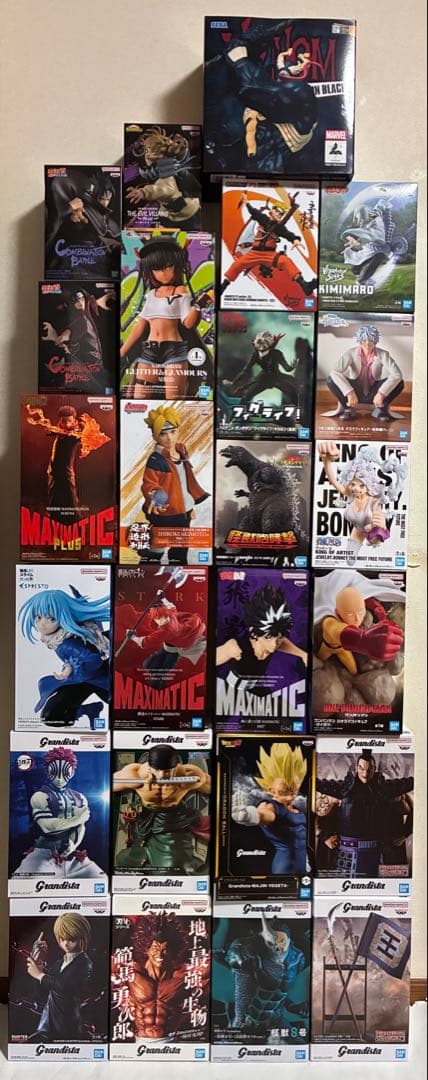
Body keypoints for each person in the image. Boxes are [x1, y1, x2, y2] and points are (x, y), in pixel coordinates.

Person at [120, 237, 210, 398]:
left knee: (173, 401)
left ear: (177, 266)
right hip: (150, 350)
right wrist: (122, 352)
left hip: (173, 350)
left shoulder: (179, 290)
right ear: (151, 271)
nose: (164, 273)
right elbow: (140, 325)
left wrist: (199, 305)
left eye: (169, 267)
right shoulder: (152, 294)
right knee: (139, 398)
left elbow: (188, 323)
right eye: (157, 269)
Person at [18, 585, 110, 727]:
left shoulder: (65, 643)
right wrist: (69, 668)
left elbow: (94, 659)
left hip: (102, 680)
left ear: (62, 617)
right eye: (38, 617)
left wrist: (71, 669)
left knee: (125, 712)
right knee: (51, 716)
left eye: (51, 619)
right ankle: (89, 709)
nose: (42, 624)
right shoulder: (59, 637)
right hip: (81, 681)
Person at [315, 750, 414, 877]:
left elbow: (413, 796)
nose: (365, 773)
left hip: (379, 852)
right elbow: (319, 810)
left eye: (369, 769)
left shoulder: (387, 789)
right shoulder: (343, 789)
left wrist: (405, 833)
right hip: (348, 851)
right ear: (357, 768)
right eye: (361, 768)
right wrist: (324, 835)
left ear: (374, 769)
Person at [113, 744, 211, 873]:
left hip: (172, 820)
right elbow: (108, 784)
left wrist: (193, 782)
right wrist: (136, 782)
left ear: (175, 766)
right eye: (157, 770)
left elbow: (214, 788)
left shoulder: (188, 774)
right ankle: (145, 858)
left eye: (167, 771)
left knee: (171, 868)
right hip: (145, 818)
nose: (161, 775)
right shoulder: (135, 774)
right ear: (150, 765)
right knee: (125, 861)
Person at [13, 747, 104, 879]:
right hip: (44, 854)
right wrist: (79, 818)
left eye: (65, 772)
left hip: (72, 855)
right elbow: (49, 827)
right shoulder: (40, 796)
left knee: (99, 878)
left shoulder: (79, 797)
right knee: (26, 883)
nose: (59, 778)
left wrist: (72, 845)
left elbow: (80, 827)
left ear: (72, 772)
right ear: (48, 771)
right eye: (54, 772)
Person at [140, 404, 210, 564]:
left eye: (172, 432)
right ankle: (145, 571)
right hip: (165, 513)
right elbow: (149, 483)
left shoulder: (181, 451)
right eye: (163, 434)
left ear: (178, 431)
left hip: (183, 513)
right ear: (155, 437)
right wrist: (155, 495)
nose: (169, 438)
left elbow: (185, 482)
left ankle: (177, 573)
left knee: (180, 552)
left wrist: (189, 507)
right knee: (156, 550)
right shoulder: (156, 459)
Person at [220, 191, 316, 298]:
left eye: (280, 214)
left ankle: (305, 285)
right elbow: (254, 213)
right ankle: (222, 286)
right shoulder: (263, 219)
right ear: (272, 211)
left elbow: (288, 234)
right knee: (237, 265)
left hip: (269, 255)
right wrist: (246, 202)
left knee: (286, 261)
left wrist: (295, 240)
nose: (278, 214)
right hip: (254, 253)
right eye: (277, 211)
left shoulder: (279, 228)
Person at [26, 402, 110, 523]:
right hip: (53, 472)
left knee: (70, 502)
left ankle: (75, 524)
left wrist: (85, 429)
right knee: (54, 500)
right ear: (60, 420)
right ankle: (56, 522)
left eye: (69, 421)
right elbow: (50, 431)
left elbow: (84, 436)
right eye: (63, 421)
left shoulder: (75, 434)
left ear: (74, 421)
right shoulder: (60, 431)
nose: (66, 424)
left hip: (66, 475)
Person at [216, 582, 307, 693]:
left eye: (278, 638)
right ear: (254, 633)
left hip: (254, 690)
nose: (274, 645)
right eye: (268, 638)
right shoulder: (236, 647)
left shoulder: (274, 642)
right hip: (230, 693)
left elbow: (282, 642)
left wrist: (303, 654)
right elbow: (208, 661)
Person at [232, 742, 308, 874]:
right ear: (271, 790)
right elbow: (264, 814)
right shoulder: (271, 806)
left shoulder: (296, 807)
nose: (290, 797)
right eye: (284, 792)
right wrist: (249, 816)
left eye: (294, 790)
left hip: (302, 866)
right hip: (285, 867)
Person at [318, 442, 393, 563]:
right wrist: (326, 461)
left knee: (374, 546)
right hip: (358, 530)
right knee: (349, 561)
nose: (356, 489)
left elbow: (379, 519)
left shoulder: (373, 500)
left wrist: (382, 526)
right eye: (353, 484)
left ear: (368, 486)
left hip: (372, 532)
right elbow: (333, 481)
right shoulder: (351, 495)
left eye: (361, 485)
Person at [25, 914, 94, 1042]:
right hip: (46, 1025)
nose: (65, 944)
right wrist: (38, 964)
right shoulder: (58, 964)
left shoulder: (85, 964)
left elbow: (65, 987)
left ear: (82, 938)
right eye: (62, 939)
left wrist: (40, 974)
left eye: (71, 939)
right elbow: (42, 993)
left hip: (66, 1028)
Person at [325, 324, 405, 423]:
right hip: (355, 391)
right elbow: (335, 371)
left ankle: (381, 409)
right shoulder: (350, 353)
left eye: (370, 340)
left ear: (375, 341)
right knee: (330, 380)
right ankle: (348, 408)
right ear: (359, 340)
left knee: (400, 383)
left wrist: (381, 393)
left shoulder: (383, 354)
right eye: (363, 340)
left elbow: (397, 374)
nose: (367, 344)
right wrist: (349, 392)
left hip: (374, 392)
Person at [41, 286, 115, 390]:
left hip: (94, 369)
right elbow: (67, 335)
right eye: (75, 300)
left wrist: (55, 337)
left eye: (81, 298)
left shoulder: (82, 320)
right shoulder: (78, 319)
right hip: (89, 369)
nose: (79, 301)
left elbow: (65, 336)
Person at [126, 126, 201, 226]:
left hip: (185, 212)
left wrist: (143, 192)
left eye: (149, 151)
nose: (146, 155)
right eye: (146, 151)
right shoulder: (161, 167)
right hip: (172, 212)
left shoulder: (166, 169)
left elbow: (164, 189)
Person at [125, 596, 206, 689]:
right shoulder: (171, 614)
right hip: (167, 647)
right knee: (148, 665)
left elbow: (145, 642)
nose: (161, 621)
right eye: (157, 618)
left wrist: (133, 637)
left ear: (166, 615)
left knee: (159, 676)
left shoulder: (167, 630)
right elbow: (171, 607)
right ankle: (158, 680)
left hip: (175, 651)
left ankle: (159, 685)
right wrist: (163, 598)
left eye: (163, 617)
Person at [222, 329, 299, 410]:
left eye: (264, 343)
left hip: (276, 377)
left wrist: (292, 366)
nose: (261, 346)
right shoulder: (255, 355)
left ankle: (296, 414)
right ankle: (238, 413)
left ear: (269, 344)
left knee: (292, 393)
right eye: (259, 343)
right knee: (246, 396)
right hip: (263, 379)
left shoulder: (276, 353)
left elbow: (287, 368)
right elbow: (245, 370)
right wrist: (233, 382)